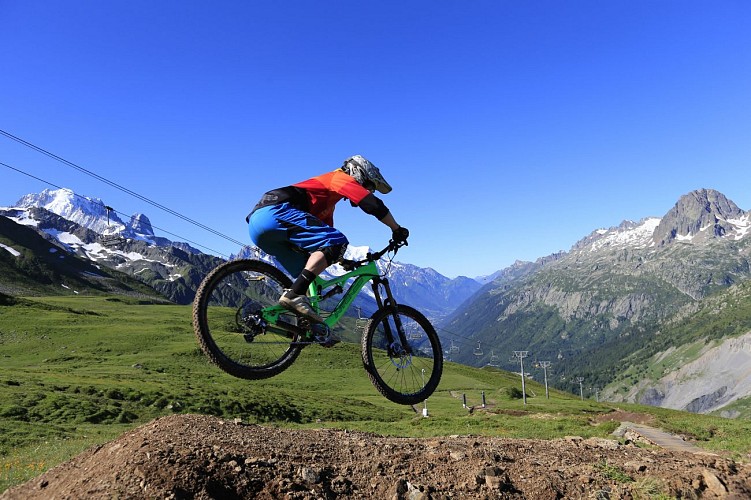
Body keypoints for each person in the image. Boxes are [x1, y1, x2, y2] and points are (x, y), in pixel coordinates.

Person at [246, 155, 409, 326]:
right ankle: (293, 296)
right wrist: (396, 229)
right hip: (276, 213)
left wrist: (342, 260)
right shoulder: (338, 178)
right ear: (357, 172)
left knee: (310, 274)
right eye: (368, 185)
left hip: (259, 226)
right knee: (338, 241)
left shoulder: (326, 205)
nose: (369, 191)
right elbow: (372, 204)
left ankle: (309, 327)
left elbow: (325, 246)